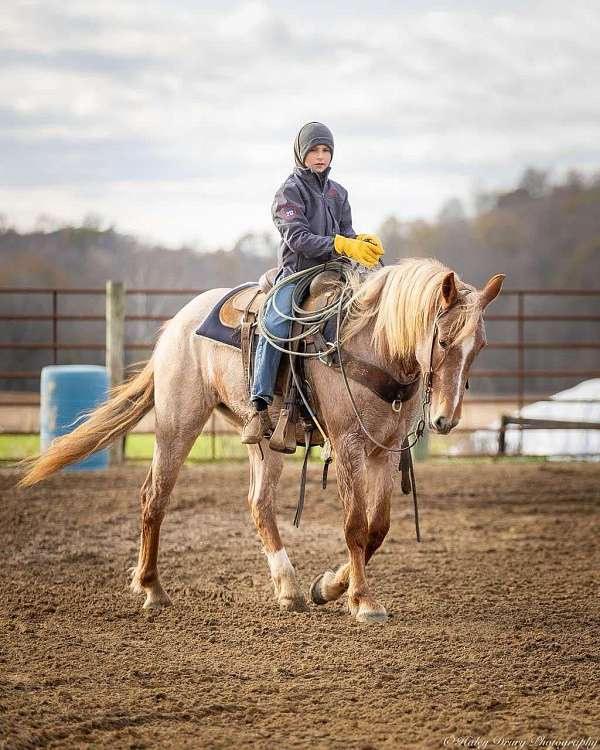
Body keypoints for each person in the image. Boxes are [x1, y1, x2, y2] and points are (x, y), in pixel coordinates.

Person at [240, 121, 385, 443]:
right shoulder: (288, 191)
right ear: (301, 154)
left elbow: (346, 233)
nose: (320, 156)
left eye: (325, 150)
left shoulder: (339, 192)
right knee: (275, 324)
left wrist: (360, 242)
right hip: (297, 273)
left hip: (336, 272)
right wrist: (342, 244)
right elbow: (298, 238)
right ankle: (259, 404)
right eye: (314, 150)